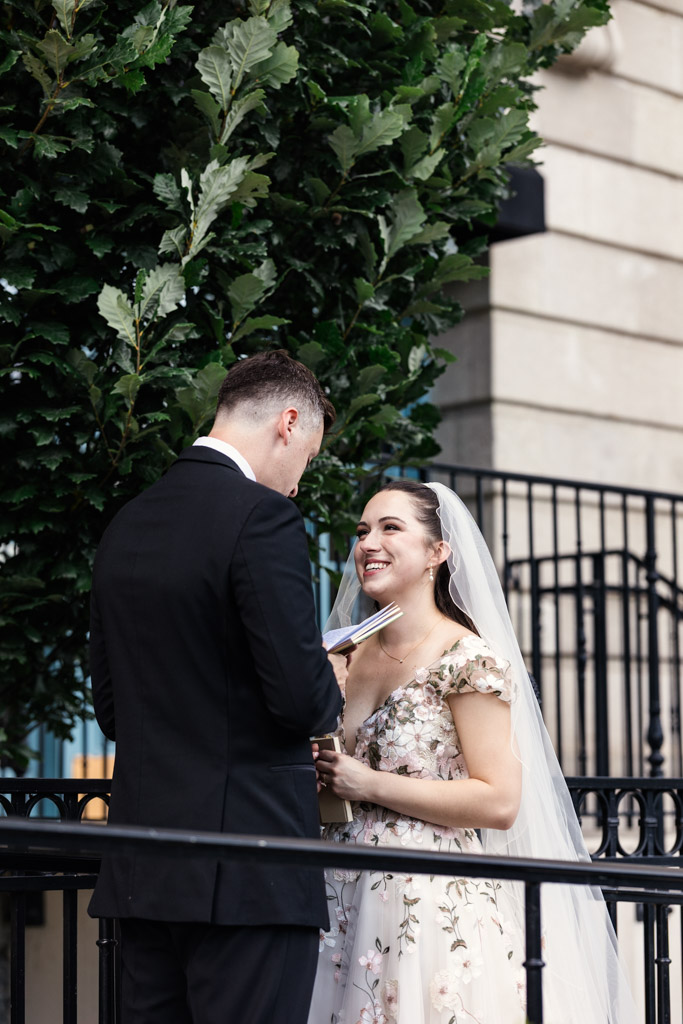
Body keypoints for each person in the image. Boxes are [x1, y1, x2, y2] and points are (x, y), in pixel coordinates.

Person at [310, 479, 637, 1024]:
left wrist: (369, 784)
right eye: (363, 530)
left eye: (392, 528)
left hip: (425, 905)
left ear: (438, 552)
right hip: (335, 892)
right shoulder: (342, 652)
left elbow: (499, 800)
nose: (368, 542)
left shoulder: (467, 657)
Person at [88, 350, 346, 1024]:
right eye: (307, 459)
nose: (296, 484)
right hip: (248, 871)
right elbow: (300, 701)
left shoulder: (125, 525)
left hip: (143, 869)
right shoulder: (262, 517)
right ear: (288, 422)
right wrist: (328, 678)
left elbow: (112, 710)